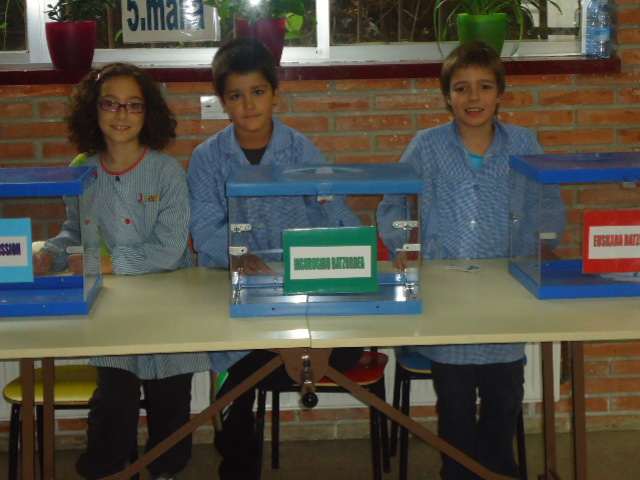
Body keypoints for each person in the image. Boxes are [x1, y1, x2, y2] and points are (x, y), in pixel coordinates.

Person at [377, 40, 565, 480]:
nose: (473, 97)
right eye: (461, 88)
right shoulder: (426, 146)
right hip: (447, 297)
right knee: (456, 402)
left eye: (484, 86)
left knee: (504, 395)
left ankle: (497, 467)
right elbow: (393, 203)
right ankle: (459, 471)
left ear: (500, 93)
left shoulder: (524, 143)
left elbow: (549, 203)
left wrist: (545, 243)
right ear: (447, 97)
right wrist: (404, 244)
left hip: (506, 291)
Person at [187, 38, 364, 480]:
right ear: (222, 101)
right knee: (236, 371)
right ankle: (239, 466)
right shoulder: (207, 158)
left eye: (258, 92)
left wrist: (346, 241)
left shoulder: (301, 151)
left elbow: (334, 212)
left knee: (345, 349)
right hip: (235, 291)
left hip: (297, 292)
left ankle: (287, 365)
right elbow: (204, 231)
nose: (248, 105)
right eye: (236, 95)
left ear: (276, 95)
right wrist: (239, 255)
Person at [33, 62, 211, 480]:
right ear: (93, 109)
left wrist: (110, 263)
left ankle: (165, 469)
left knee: (171, 398)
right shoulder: (82, 168)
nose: (121, 114)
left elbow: (170, 250)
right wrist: (50, 256)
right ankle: (105, 470)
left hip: (170, 305)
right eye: (110, 104)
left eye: (134, 105)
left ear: (148, 112)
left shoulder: (167, 171)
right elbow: (74, 232)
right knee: (114, 399)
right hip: (113, 307)